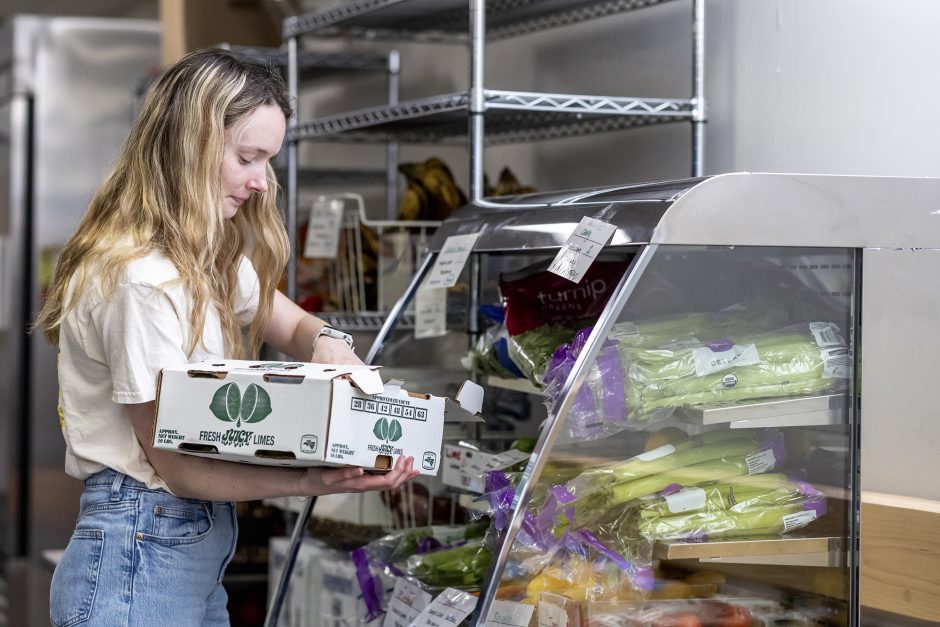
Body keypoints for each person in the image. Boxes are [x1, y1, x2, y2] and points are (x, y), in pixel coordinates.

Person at [35, 48, 418, 626]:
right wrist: (310, 480)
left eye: (268, 161)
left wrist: (328, 343)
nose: (262, 182)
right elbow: (179, 468)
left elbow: (283, 319)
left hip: (187, 546)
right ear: (189, 144)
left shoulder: (201, 254)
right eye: (248, 157)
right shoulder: (140, 278)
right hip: (139, 549)